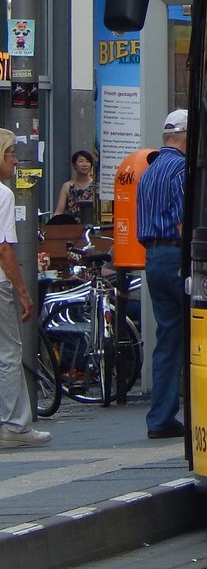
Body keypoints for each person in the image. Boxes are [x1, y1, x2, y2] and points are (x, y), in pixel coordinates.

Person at [137, 109, 189, 439]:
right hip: (176, 254)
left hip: (153, 256)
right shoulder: (181, 168)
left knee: (168, 338)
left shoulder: (150, 170)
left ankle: (160, 418)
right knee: (197, 334)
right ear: (186, 135)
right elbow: (186, 220)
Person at [0, 127, 51, 447]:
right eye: (10, 154)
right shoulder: (3, 195)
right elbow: (4, 248)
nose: (16, 162)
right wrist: (21, 290)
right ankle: (14, 425)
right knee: (8, 352)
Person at [53, 150, 95, 223]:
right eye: (81, 161)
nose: (85, 164)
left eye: (88, 161)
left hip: (93, 226)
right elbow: (58, 212)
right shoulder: (67, 186)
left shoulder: (96, 186)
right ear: (74, 165)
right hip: (72, 227)